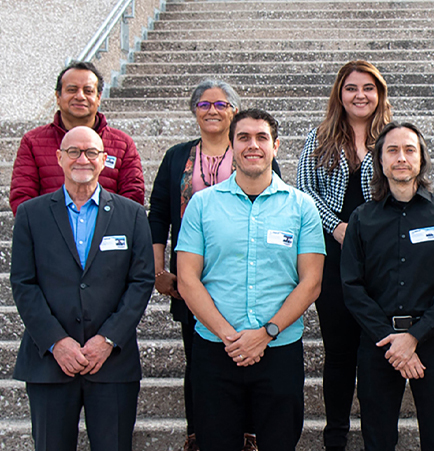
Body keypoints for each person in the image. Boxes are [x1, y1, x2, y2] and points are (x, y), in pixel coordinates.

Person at [176, 109, 326, 451]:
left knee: (280, 443)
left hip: (279, 348)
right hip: (216, 349)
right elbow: (187, 280)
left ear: (275, 146)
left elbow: (311, 282)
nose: (252, 145)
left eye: (261, 138)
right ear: (231, 146)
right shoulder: (202, 204)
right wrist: (231, 337)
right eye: (243, 137)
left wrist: (265, 333)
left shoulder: (301, 207)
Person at [147, 79, 279, 451]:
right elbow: (158, 214)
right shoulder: (177, 157)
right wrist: (160, 269)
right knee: (201, 357)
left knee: (252, 352)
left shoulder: (256, 154)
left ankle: (248, 432)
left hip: (247, 273)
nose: (212, 111)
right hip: (190, 276)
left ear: (234, 112)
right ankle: (200, 431)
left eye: (221, 104)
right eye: (204, 105)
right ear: (194, 111)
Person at [10, 126, 155, 450]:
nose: (82, 159)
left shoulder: (131, 215)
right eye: (73, 151)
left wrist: (107, 340)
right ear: (59, 157)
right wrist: (57, 342)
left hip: (112, 362)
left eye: (91, 152)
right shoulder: (31, 214)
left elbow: (141, 282)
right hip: (49, 362)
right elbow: (23, 282)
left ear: (104, 160)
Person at [341, 122, 434, 451]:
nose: (401, 157)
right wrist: (391, 341)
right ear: (380, 161)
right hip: (377, 341)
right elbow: (352, 286)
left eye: (409, 149)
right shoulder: (362, 218)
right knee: (377, 435)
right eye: (392, 150)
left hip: (432, 339)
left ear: (422, 159)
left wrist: (414, 336)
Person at [295, 60, 391, 451]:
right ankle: (335, 436)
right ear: (340, 93)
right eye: (352, 88)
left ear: (379, 94)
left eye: (368, 88)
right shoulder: (318, 138)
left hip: (380, 258)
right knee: (338, 352)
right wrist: (336, 227)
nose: (360, 95)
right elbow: (302, 192)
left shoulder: (391, 137)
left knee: (373, 352)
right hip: (332, 256)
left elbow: (405, 188)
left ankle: (375, 437)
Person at [10, 61, 144, 214]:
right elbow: (22, 197)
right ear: (58, 96)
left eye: (88, 91)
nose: (80, 96)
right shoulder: (33, 142)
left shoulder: (122, 144)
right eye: (72, 90)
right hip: (50, 234)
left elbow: (132, 197)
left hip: (106, 233)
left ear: (99, 97)